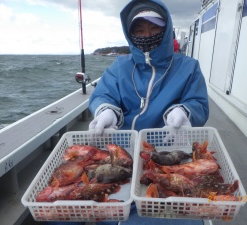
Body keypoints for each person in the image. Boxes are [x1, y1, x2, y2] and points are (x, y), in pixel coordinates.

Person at [88, 0, 208, 224]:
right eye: (140, 30)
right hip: (122, 150)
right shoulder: (119, 67)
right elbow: (104, 95)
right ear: (130, 34)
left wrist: (184, 111)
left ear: (166, 29)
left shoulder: (189, 67)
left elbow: (198, 103)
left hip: (168, 146)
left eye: (155, 28)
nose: (147, 35)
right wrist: (106, 112)